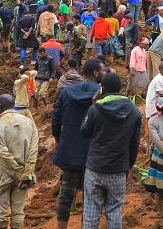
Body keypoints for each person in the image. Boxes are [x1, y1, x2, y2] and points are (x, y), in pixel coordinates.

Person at [79, 73, 142, 229]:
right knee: (114, 213)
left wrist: (93, 105)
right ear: (120, 88)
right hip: (119, 169)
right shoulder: (134, 111)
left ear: (103, 89)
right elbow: (135, 143)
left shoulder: (96, 108)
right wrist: (128, 165)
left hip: (95, 168)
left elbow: (84, 132)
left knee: (91, 214)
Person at [53, 59, 103, 229]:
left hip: (69, 150)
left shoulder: (67, 92)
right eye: (102, 71)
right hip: (93, 152)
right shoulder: (102, 93)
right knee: (91, 195)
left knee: (66, 193)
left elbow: (56, 119)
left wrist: (59, 140)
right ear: (96, 73)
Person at [0, 94, 39, 229]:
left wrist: (17, 172)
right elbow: (33, 151)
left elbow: (1, 153)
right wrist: (26, 173)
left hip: (1, 174)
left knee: (1, 215)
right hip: (23, 175)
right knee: (18, 213)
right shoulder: (29, 123)